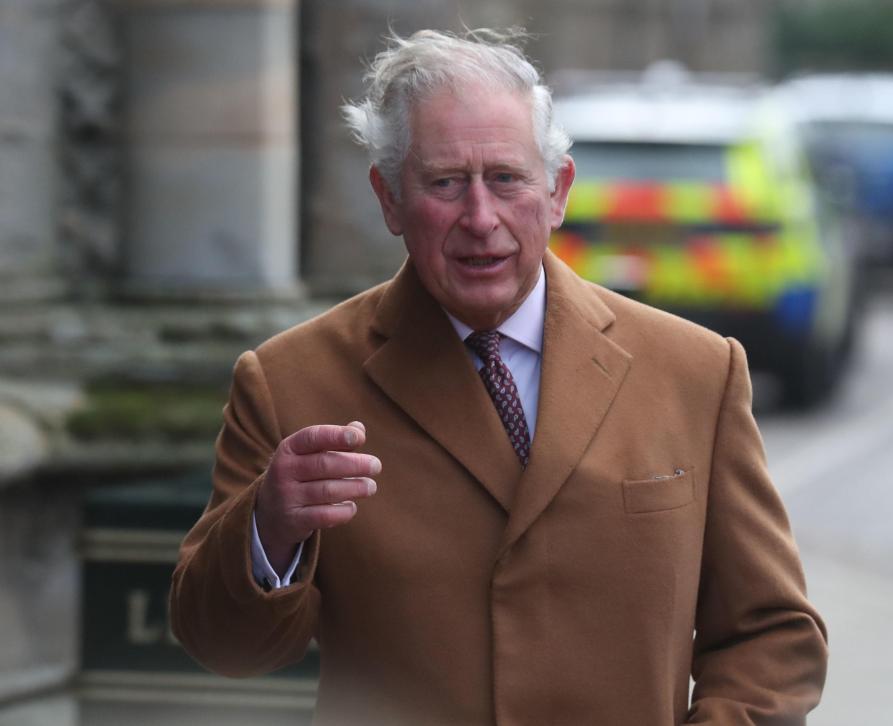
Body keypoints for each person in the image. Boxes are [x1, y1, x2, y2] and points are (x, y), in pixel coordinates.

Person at [170, 28, 827, 725]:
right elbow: (225, 648)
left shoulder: (697, 372)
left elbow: (771, 637)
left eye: (506, 179)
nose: (481, 219)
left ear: (558, 191)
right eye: (446, 183)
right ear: (390, 199)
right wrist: (269, 531)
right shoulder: (288, 383)